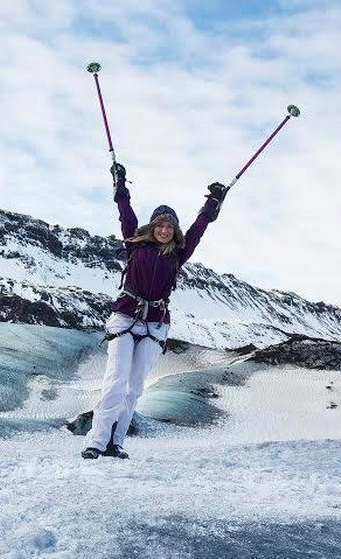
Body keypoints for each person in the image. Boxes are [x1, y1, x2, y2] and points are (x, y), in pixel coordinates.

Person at [82, 162, 227, 459]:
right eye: (160, 225)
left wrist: (212, 202)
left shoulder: (178, 254)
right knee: (116, 380)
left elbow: (199, 229)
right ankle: (96, 441)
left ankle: (116, 442)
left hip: (155, 325)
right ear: (152, 227)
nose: (163, 230)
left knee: (134, 387)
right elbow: (125, 212)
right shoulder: (134, 244)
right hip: (124, 318)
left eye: (169, 226)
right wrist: (120, 185)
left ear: (174, 231)